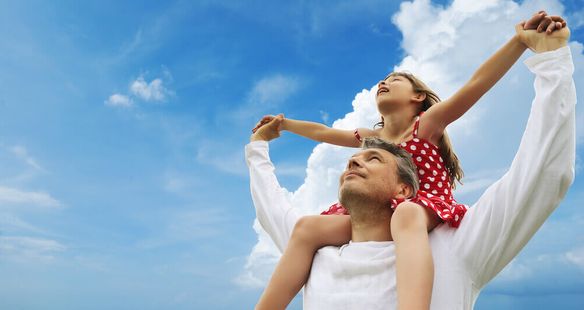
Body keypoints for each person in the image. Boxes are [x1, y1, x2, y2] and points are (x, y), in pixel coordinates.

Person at [245, 13, 575, 310]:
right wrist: (285, 125)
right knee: (307, 227)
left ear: (418, 97)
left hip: (419, 206)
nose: (383, 84)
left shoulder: (426, 126)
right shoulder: (369, 138)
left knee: (405, 216)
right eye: (381, 84)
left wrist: (518, 42)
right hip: (380, 212)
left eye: (395, 81)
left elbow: (476, 85)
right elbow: (322, 132)